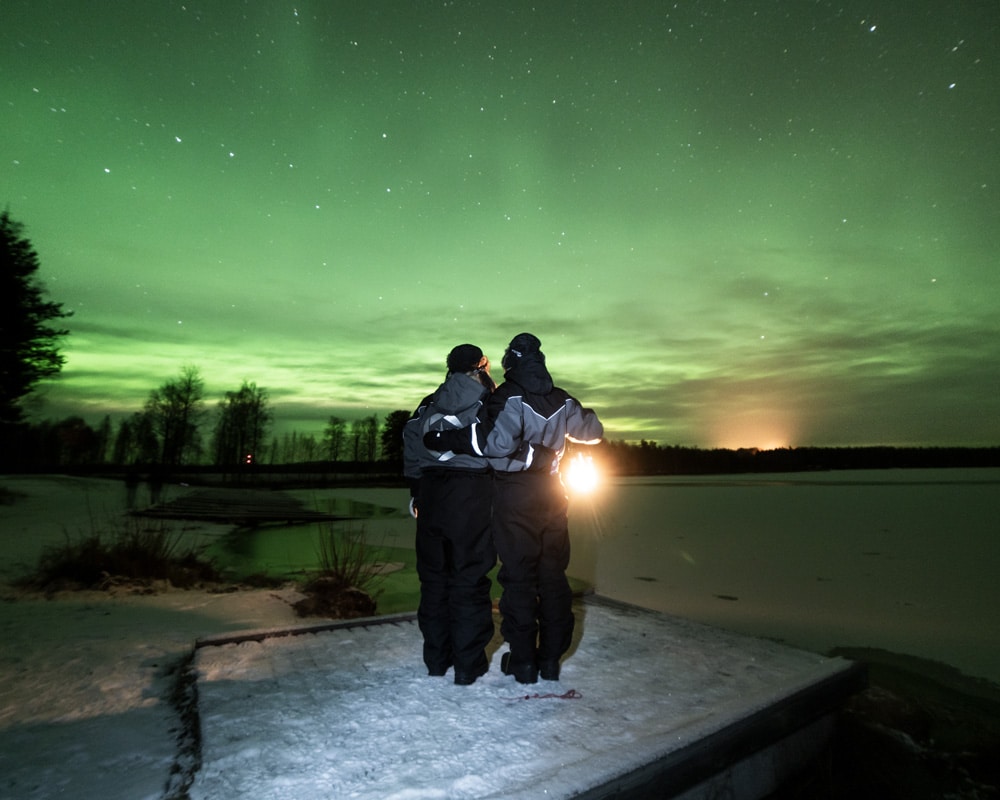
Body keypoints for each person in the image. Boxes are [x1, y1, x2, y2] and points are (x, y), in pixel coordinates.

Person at [425, 333, 603, 684]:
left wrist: (445, 439)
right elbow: (594, 430)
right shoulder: (561, 398)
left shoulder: (508, 396)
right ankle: (550, 659)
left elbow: (494, 444)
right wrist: (561, 427)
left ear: (511, 361)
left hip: (515, 496)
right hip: (554, 496)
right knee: (553, 576)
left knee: (519, 579)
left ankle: (523, 663)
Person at [402, 343, 497, 685]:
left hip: (432, 494)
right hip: (471, 493)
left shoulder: (429, 402)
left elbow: (411, 438)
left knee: (434, 579)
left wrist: (416, 489)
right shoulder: (489, 399)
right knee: (469, 579)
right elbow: (497, 444)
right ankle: (469, 666)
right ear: (481, 365)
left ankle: (437, 661)